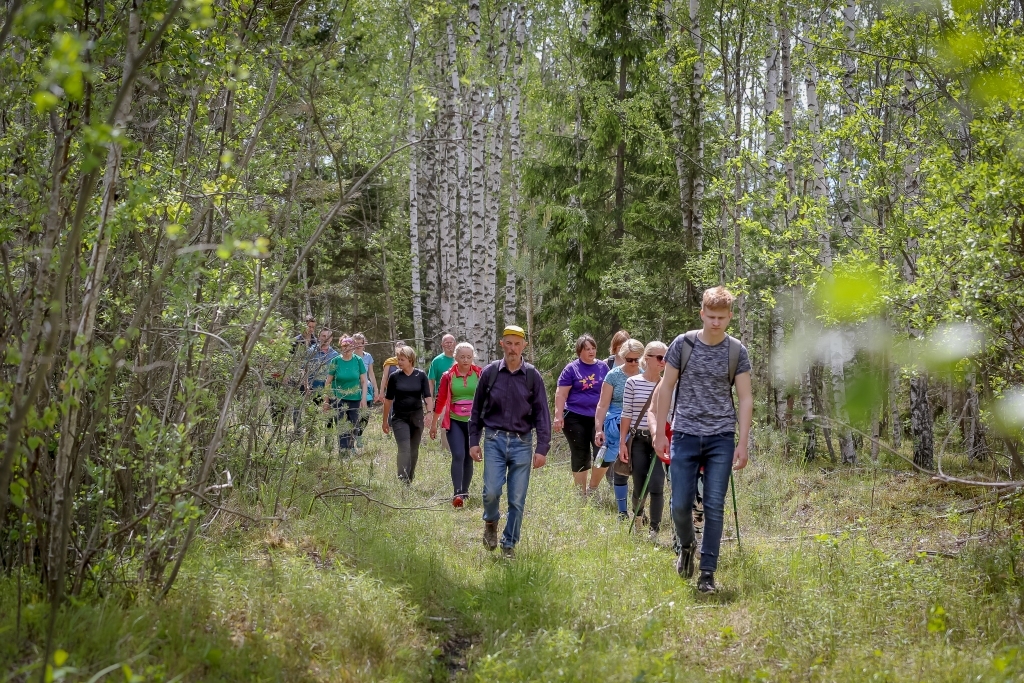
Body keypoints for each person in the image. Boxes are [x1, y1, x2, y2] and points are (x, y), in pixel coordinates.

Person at [652, 286, 752, 595]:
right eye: (710, 317)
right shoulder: (683, 345)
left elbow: (746, 398)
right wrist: (659, 432)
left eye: (721, 318)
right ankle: (686, 545)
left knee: (713, 506)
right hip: (684, 434)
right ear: (702, 314)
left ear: (730, 317)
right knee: (680, 504)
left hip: (721, 437)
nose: (715, 323)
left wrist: (743, 442)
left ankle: (707, 573)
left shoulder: (737, 351)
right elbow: (666, 387)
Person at [469, 325, 550, 559]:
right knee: (491, 491)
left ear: (524, 346)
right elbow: (476, 409)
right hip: (493, 439)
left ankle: (508, 545)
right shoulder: (490, 372)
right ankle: (491, 522)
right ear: (501, 344)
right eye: (509, 343)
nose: (513, 349)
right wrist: (474, 440)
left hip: (522, 442)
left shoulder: (533, 376)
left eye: (517, 344)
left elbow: (542, 414)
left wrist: (542, 447)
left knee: (516, 499)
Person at [615, 341, 669, 541]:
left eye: (666, 358)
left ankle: (654, 531)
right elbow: (626, 413)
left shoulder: (667, 383)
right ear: (646, 358)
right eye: (659, 357)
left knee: (657, 484)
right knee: (639, 484)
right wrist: (622, 442)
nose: (664, 362)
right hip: (638, 439)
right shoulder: (633, 382)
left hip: (658, 440)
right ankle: (638, 520)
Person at [554, 334, 609, 495]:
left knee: (603, 452)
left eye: (593, 348)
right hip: (574, 416)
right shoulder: (571, 369)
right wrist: (558, 415)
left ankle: (593, 488)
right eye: (587, 349)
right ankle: (580, 493)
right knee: (580, 453)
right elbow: (561, 394)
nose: (591, 351)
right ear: (580, 351)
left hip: (599, 417)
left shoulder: (603, 367)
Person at [594, 338, 644, 516]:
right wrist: (599, 429)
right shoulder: (613, 376)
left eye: (636, 359)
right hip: (616, 424)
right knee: (619, 466)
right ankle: (622, 511)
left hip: (640, 425)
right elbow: (602, 404)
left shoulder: (646, 374)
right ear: (622, 357)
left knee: (640, 470)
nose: (632, 363)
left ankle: (639, 509)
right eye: (628, 359)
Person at [430, 342, 483, 507]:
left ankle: (465, 493)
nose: (466, 360)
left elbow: (489, 398)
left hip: (473, 424)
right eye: (462, 357)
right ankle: (457, 493)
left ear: (473, 357)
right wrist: (433, 424)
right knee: (458, 455)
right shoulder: (448, 376)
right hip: (454, 421)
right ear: (456, 358)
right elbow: (440, 401)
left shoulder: (480, 374)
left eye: (469, 357)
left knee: (469, 456)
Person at [382, 345, 433, 482]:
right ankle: (402, 480)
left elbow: (427, 396)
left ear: (410, 360)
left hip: (416, 418)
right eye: (398, 359)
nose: (399, 362)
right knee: (404, 448)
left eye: (402, 359)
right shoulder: (394, 377)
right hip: (399, 418)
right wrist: (385, 420)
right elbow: (388, 400)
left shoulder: (420, 375)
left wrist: (429, 413)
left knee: (414, 450)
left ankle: (409, 479)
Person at [322, 336, 367, 456]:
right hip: (338, 398)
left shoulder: (358, 360)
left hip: (355, 398)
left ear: (353, 347)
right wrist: (326, 400)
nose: (346, 348)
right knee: (342, 425)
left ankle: (350, 447)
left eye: (348, 346)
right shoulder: (335, 361)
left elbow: (363, 381)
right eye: (344, 346)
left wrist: (363, 398)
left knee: (354, 424)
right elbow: (328, 382)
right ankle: (343, 452)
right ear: (341, 347)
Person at [302, 329, 338, 435]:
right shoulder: (311, 352)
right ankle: (310, 441)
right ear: (319, 337)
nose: (325, 339)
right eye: (323, 336)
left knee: (329, 418)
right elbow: (304, 369)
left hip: (329, 390)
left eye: (328, 336)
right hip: (313, 388)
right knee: (311, 417)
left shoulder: (335, 355)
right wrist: (306, 386)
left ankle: (328, 444)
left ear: (331, 339)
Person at [428, 334, 457, 453]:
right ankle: (446, 451)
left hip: (459, 397)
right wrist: (429, 399)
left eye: (451, 342)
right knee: (444, 425)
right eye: (446, 342)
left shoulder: (460, 358)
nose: (449, 344)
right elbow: (431, 380)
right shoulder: (437, 361)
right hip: (443, 398)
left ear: (455, 344)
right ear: (442, 344)